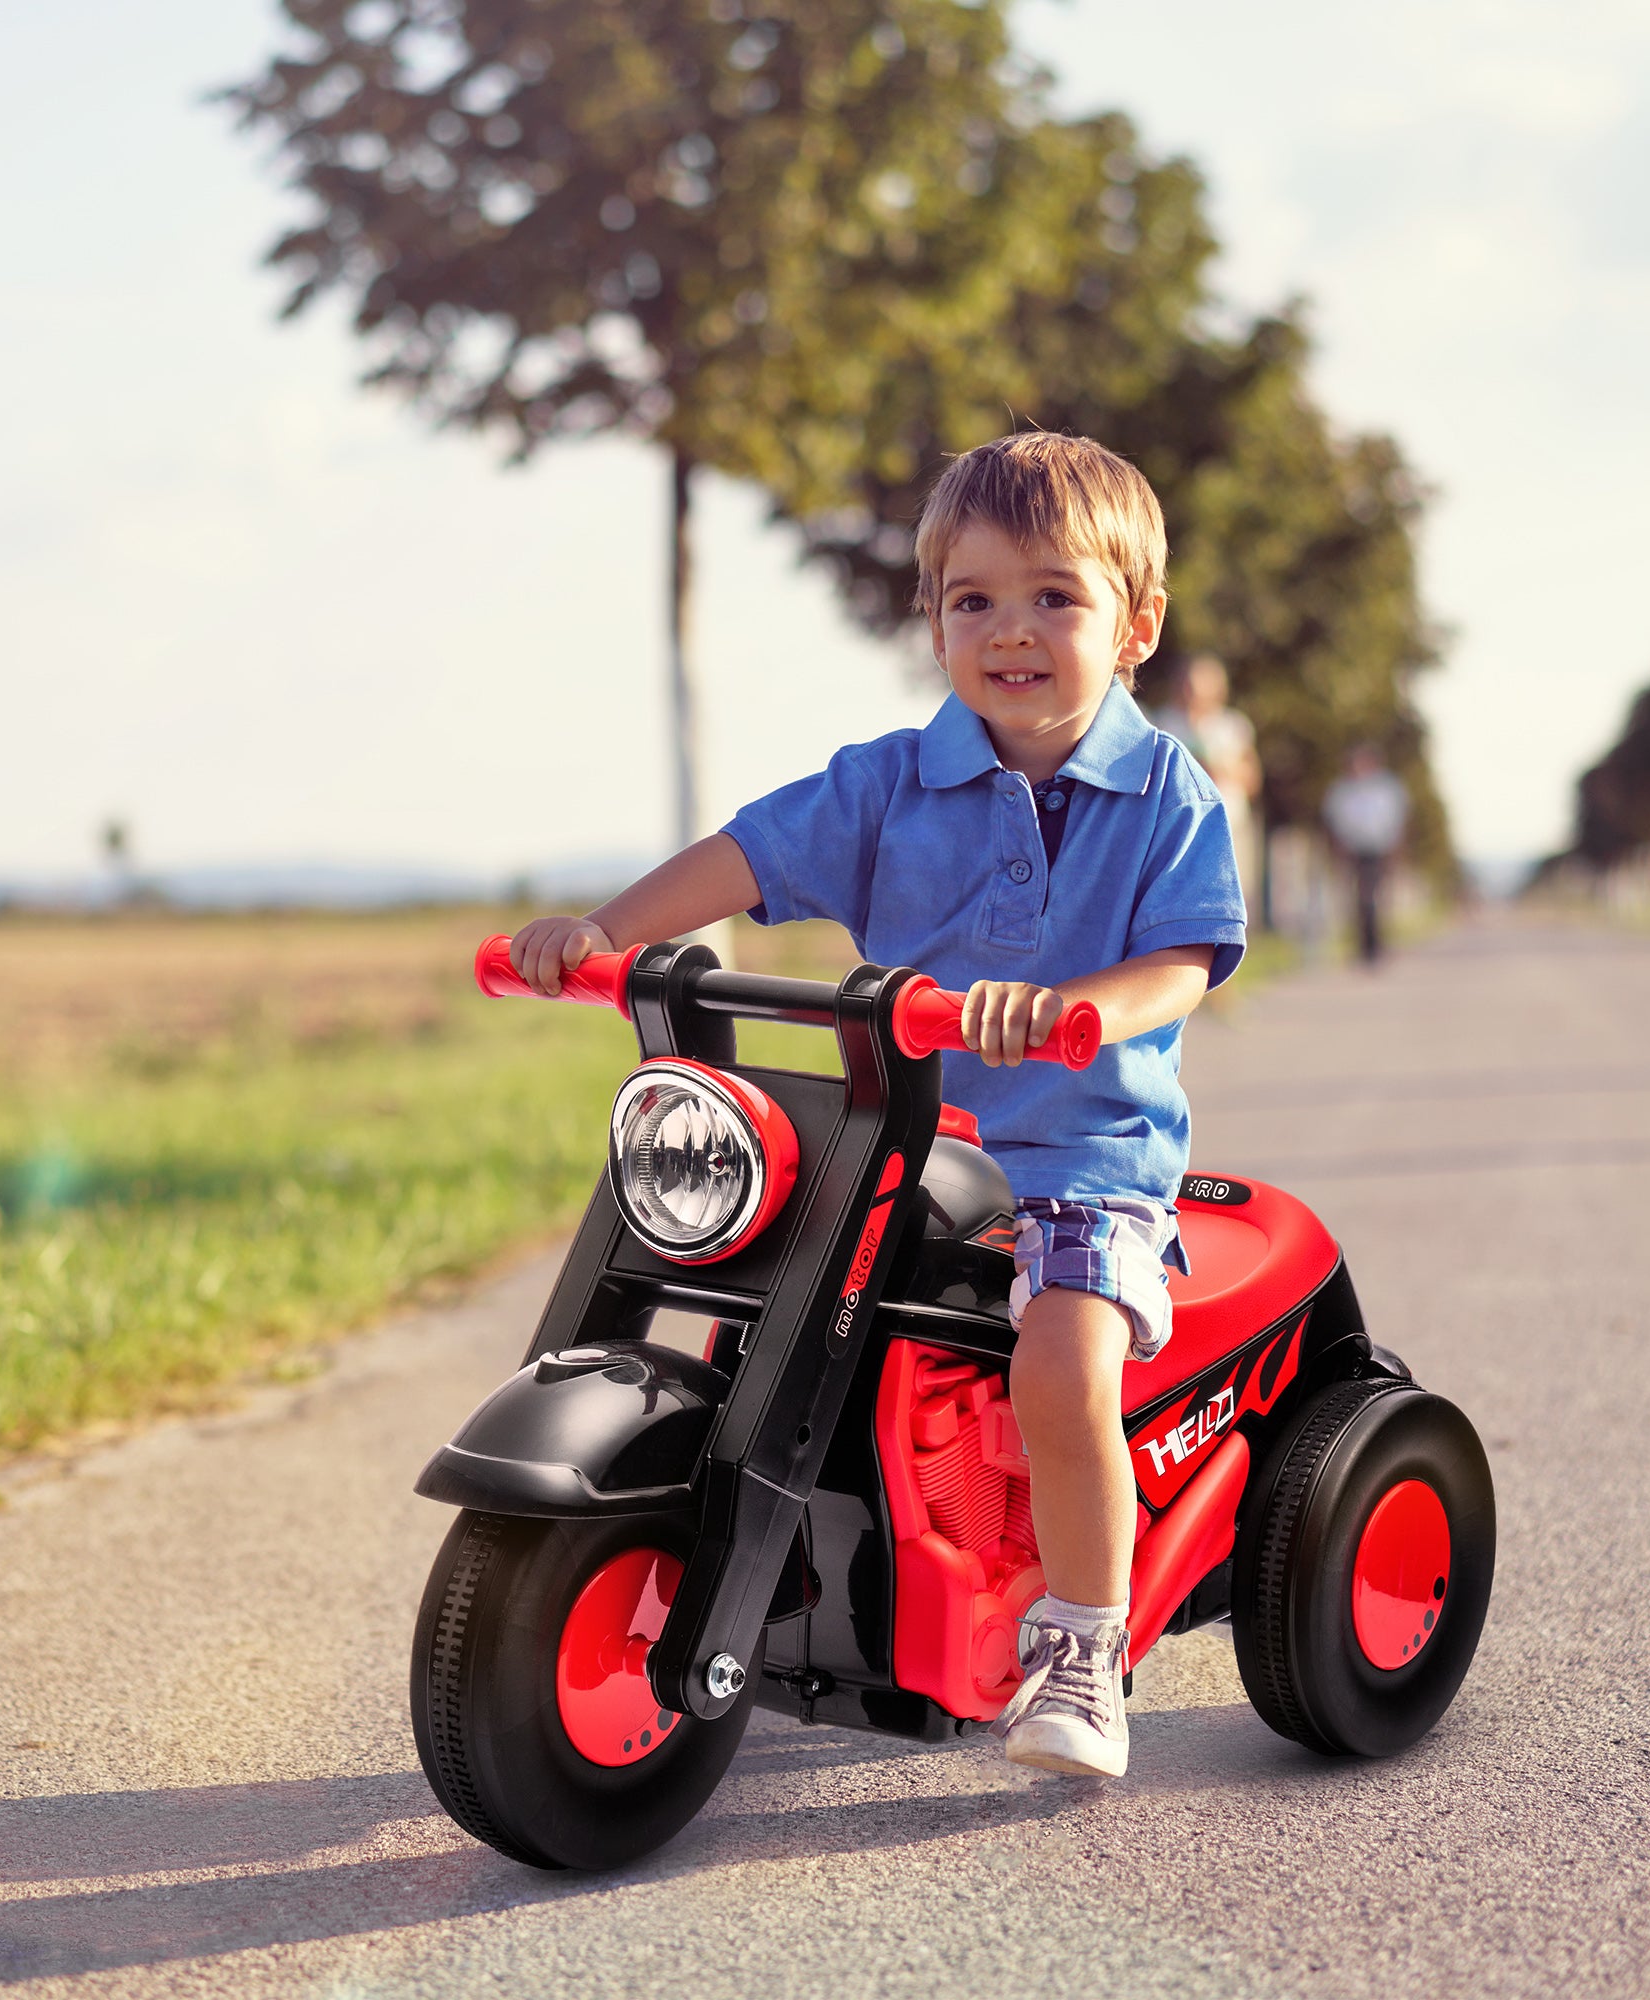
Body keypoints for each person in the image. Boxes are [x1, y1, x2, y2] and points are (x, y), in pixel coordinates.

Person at [509, 432, 1246, 1778]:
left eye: (1054, 598)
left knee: (1064, 1352)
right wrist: (605, 929)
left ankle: (1083, 1645)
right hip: (896, 1139)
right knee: (740, 1274)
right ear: (933, 621)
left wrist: (1077, 1004)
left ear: (1135, 625)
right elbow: (746, 854)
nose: (1010, 631)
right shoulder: (890, 783)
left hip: (1079, 1158)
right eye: (974, 600)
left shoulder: (1168, 798)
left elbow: (1184, 962)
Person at [1150, 655, 1262, 927]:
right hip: (1177, 824)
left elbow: (1253, 778)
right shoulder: (1161, 723)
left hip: (1229, 822)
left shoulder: (1232, 726)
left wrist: (1223, 769)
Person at [1322, 744, 1409, 964]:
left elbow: (1397, 820)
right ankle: (1363, 945)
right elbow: (1334, 821)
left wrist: (1396, 848)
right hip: (1353, 850)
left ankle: (1377, 943)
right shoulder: (1342, 790)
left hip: (1380, 848)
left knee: (1377, 897)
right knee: (1358, 898)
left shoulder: (1387, 788)